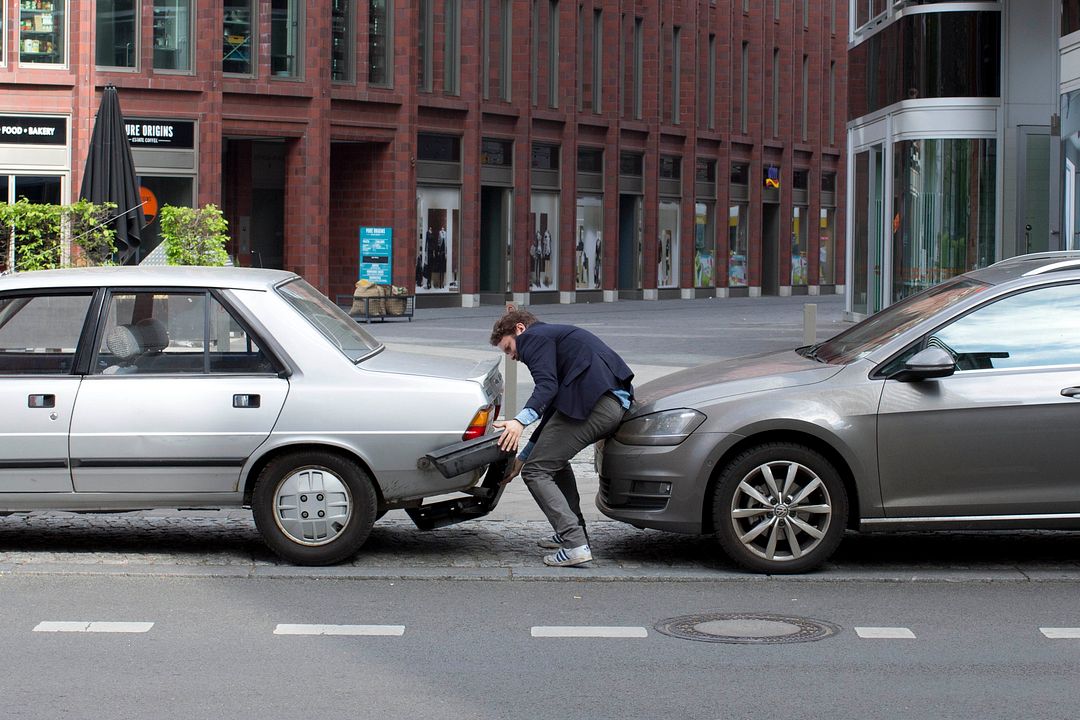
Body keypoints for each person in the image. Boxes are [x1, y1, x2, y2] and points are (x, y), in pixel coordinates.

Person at [490, 309, 634, 567]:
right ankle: (574, 534)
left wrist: (518, 421)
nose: (512, 357)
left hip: (596, 404)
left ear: (520, 330)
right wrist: (524, 455)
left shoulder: (535, 338)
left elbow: (546, 387)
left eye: (509, 348)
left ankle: (575, 544)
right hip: (604, 402)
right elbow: (553, 410)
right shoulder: (556, 337)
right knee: (551, 463)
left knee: (536, 472)